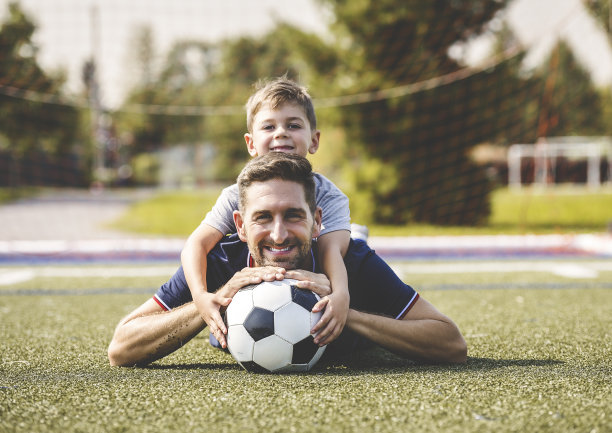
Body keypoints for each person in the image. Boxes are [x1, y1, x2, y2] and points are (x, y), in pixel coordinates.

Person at [108, 153, 467, 367]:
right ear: (240, 226)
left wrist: (348, 314)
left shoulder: (353, 261)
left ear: (317, 222)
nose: (278, 234)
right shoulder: (221, 261)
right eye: (263, 217)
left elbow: (451, 344)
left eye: (294, 215)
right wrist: (211, 304)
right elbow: (121, 348)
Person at [181, 77, 352, 350]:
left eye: (293, 125)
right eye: (269, 126)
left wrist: (341, 295)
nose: (281, 133)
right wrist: (201, 297)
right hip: (262, 275)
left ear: (314, 140)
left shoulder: (330, 196)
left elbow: (332, 251)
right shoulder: (234, 195)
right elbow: (196, 244)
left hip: (311, 269)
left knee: (356, 246)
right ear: (251, 143)